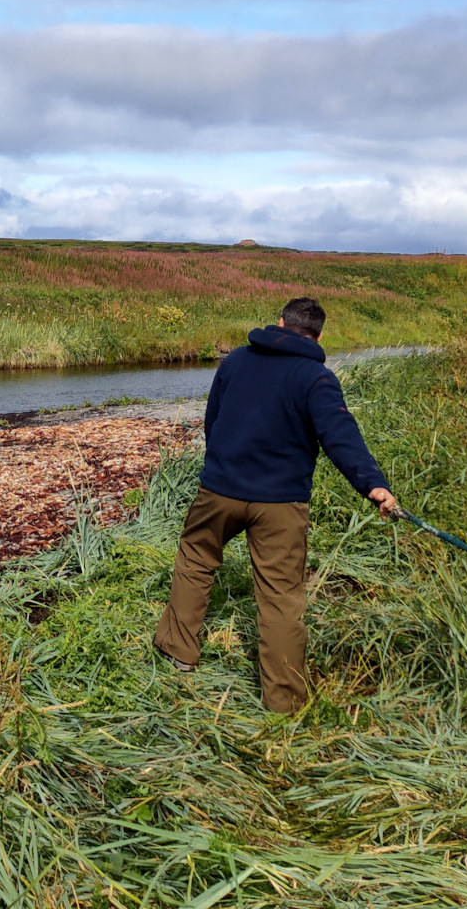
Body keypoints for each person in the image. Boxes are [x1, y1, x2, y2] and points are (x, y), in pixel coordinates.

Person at [152, 296, 398, 712]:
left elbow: (214, 420)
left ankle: (179, 653)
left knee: (195, 559)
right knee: (281, 596)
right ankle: (283, 703)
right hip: (281, 503)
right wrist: (374, 487)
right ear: (318, 335)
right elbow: (341, 437)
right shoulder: (316, 378)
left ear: (280, 322)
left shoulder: (235, 362)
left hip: (220, 490)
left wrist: (221, 467)